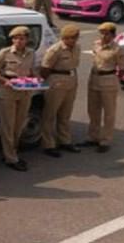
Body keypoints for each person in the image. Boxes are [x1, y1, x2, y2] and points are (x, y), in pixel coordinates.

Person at [0, 26, 36, 171]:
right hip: (8, 91)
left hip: (25, 91)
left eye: (21, 38)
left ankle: (13, 151)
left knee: (19, 125)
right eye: (15, 38)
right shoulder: (5, 53)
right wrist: (5, 81)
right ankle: (11, 158)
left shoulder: (31, 53)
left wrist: (35, 80)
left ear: (27, 40)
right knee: (8, 126)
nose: (18, 41)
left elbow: (31, 71)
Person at [81, 22, 124, 153]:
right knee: (93, 110)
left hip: (108, 80)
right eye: (101, 33)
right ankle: (93, 136)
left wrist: (113, 79)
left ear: (113, 35)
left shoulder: (117, 49)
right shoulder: (96, 44)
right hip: (94, 79)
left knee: (109, 112)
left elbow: (123, 69)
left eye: (106, 33)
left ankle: (105, 139)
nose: (103, 36)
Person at [40, 24, 81, 157]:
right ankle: (48, 144)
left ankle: (65, 140)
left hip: (71, 79)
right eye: (70, 38)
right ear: (64, 38)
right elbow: (45, 68)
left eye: (75, 38)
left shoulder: (77, 48)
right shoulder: (55, 50)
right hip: (57, 80)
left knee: (65, 113)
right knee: (50, 114)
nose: (73, 41)